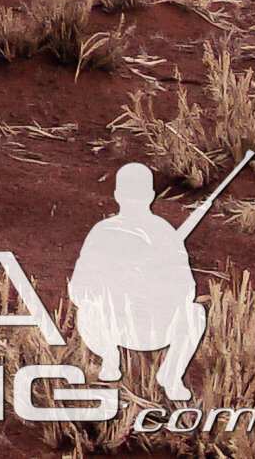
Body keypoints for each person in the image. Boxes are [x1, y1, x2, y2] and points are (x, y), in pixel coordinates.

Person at [72, 163, 208, 401]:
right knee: (195, 314)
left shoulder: (103, 231)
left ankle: (151, 371)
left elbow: (79, 290)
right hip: (151, 330)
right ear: (151, 196)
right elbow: (187, 290)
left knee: (87, 310)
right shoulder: (164, 232)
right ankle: (161, 373)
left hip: (122, 328)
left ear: (117, 195)